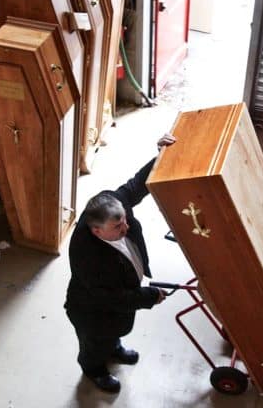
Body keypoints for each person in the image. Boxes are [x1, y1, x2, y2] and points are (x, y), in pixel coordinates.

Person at [64, 133, 177, 393]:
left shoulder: (111, 204)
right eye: (118, 226)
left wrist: (161, 156)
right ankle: (93, 369)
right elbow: (112, 298)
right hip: (93, 311)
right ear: (97, 232)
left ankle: (113, 348)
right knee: (95, 343)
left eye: (125, 219)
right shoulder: (87, 256)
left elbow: (137, 185)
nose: (126, 227)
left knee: (114, 332)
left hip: (117, 301)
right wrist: (149, 296)